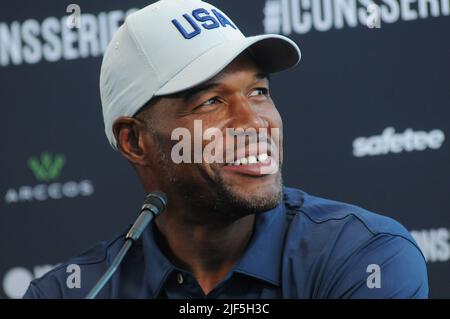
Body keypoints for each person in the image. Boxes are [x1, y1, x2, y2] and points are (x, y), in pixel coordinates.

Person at [23, 0, 428, 299]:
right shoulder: (68, 292)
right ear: (134, 141)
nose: (255, 123)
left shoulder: (365, 256)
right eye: (211, 102)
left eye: (259, 91)